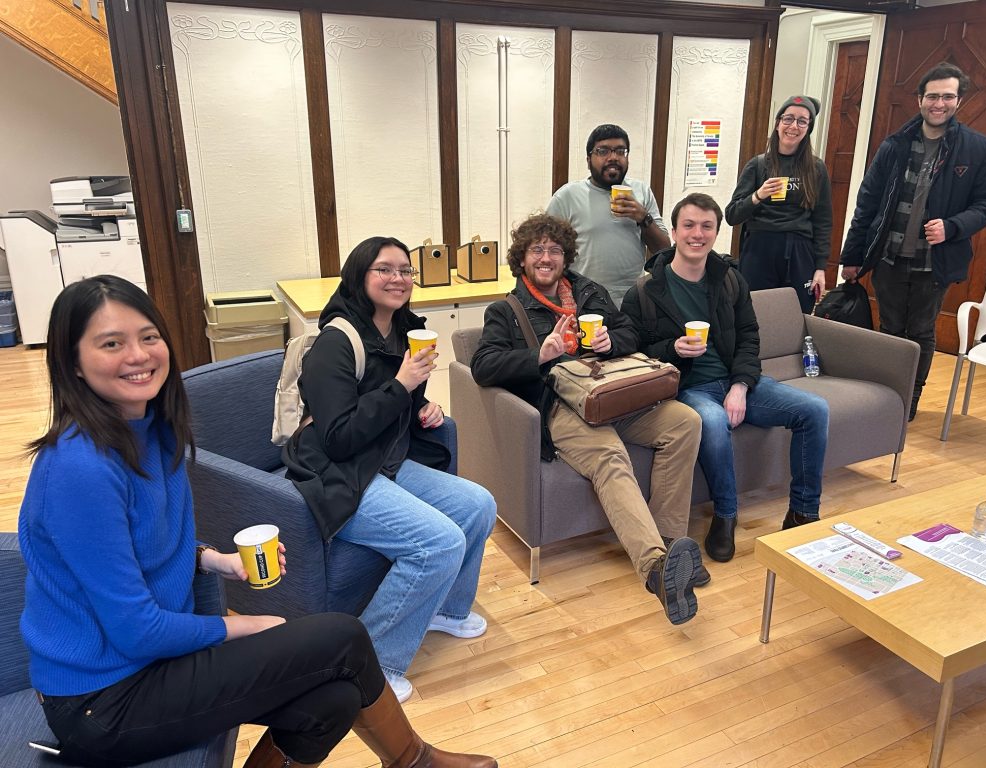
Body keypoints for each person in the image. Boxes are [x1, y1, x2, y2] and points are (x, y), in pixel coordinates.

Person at [18, 275, 496, 768]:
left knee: (333, 700)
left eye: (148, 337)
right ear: (72, 363)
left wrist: (213, 559)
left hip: (150, 663)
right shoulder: (80, 469)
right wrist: (240, 626)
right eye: (111, 344)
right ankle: (415, 761)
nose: (137, 355)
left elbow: (143, 542)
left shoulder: (153, 432)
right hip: (103, 699)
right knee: (342, 638)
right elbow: (135, 630)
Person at [284, 236, 497, 704]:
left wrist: (424, 406)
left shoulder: (403, 331)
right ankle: (372, 663)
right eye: (384, 269)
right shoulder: (335, 344)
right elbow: (338, 436)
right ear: (360, 276)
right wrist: (401, 385)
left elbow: (398, 404)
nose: (398, 278)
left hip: (384, 461)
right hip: (335, 472)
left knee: (479, 504)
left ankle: (445, 608)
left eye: (405, 270)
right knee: (439, 543)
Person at [470, 213, 708, 625]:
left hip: (614, 395)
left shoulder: (588, 292)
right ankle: (655, 570)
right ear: (522, 258)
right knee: (609, 454)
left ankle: (671, 546)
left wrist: (610, 340)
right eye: (537, 250)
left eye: (555, 250)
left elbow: (631, 333)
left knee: (685, 422)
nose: (546, 258)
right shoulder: (505, 311)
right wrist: (539, 355)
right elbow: (483, 366)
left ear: (566, 257)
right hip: (560, 406)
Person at [622, 193, 830, 562]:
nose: (697, 234)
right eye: (688, 225)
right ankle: (726, 514)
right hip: (687, 389)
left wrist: (739, 386)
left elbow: (750, 337)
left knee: (814, 410)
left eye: (706, 226)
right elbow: (634, 353)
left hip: (736, 381)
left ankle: (803, 513)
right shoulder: (644, 290)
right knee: (713, 421)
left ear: (717, 232)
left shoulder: (730, 279)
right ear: (673, 232)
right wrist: (673, 349)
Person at [839, 62, 986, 421]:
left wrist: (954, 226)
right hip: (888, 256)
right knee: (890, 330)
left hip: (936, 261)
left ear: (959, 101)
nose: (939, 103)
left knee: (921, 331)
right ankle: (887, 395)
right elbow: (867, 202)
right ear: (920, 99)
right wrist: (851, 256)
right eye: (933, 96)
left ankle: (908, 401)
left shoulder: (976, 148)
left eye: (948, 96)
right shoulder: (894, 145)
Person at [725, 95, 832, 314]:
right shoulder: (758, 165)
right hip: (760, 248)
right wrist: (758, 195)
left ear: (808, 128)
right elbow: (732, 215)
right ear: (777, 123)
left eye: (802, 121)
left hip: (800, 252)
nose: (794, 126)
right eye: (788, 118)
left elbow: (823, 221)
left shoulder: (816, 168)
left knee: (797, 315)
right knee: (754, 314)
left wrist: (820, 267)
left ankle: (791, 350)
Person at [547, 123, 671, 306]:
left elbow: (664, 250)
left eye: (621, 151)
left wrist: (643, 218)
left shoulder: (641, 191)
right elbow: (546, 252)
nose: (613, 157)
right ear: (589, 159)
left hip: (634, 300)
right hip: (584, 300)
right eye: (603, 151)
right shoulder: (567, 197)